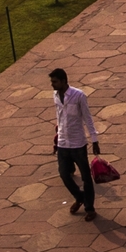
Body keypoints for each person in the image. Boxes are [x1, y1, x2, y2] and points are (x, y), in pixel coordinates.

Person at [48, 68, 101, 221]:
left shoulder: (79, 96)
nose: (52, 85)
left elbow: (87, 118)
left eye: (55, 82)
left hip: (78, 144)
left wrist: (94, 140)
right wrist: (58, 136)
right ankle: (80, 197)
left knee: (86, 177)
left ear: (64, 81)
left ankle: (89, 208)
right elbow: (59, 116)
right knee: (64, 174)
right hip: (63, 143)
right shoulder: (55, 96)